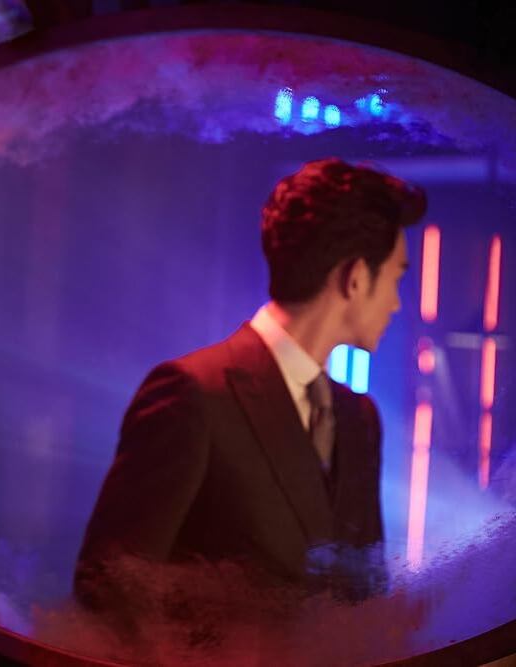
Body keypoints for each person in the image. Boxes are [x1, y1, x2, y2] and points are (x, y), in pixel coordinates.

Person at [76, 158, 425, 615]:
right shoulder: (194, 394)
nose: (397, 302)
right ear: (356, 278)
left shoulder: (360, 419)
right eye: (397, 277)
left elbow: (365, 598)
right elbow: (111, 589)